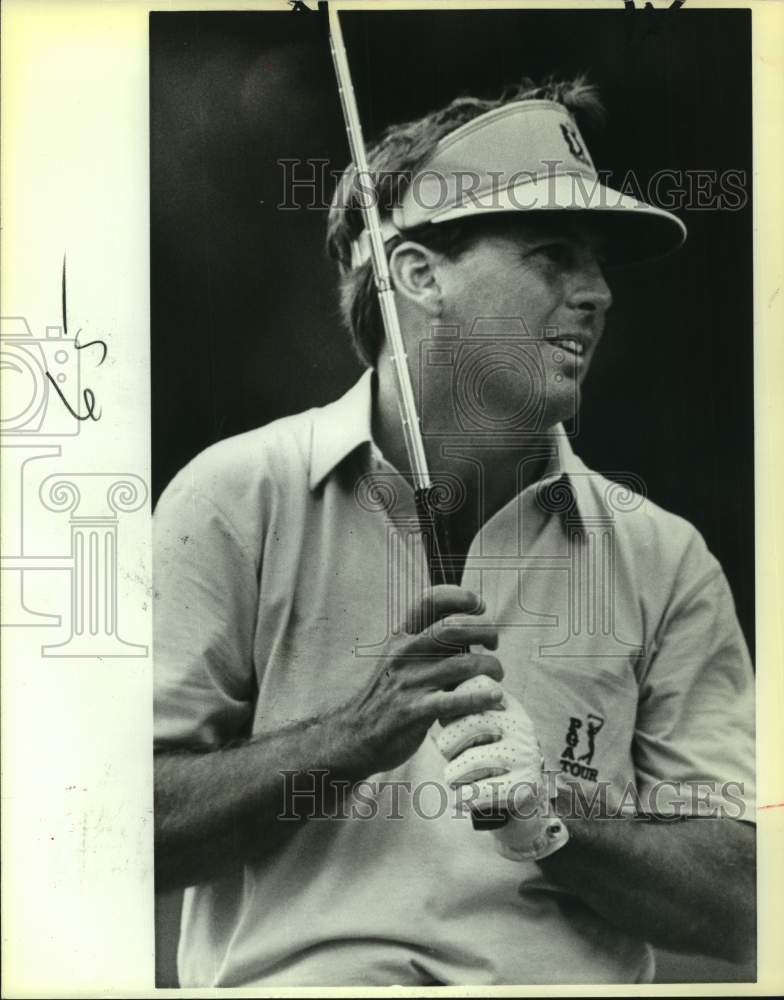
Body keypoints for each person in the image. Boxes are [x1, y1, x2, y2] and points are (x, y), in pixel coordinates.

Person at [153, 77, 756, 987]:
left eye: (595, 261)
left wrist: (554, 815)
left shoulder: (665, 559)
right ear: (418, 275)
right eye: (552, 254)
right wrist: (353, 735)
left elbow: (748, 906)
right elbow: (106, 832)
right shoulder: (234, 498)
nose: (597, 292)